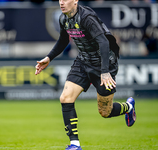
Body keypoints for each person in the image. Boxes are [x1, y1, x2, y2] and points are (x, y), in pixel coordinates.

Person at [35, 0, 136, 149]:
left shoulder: (87, 17)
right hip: (83, 61)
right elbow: (63, 40)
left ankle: (128, 107)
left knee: (105, 112)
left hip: (103, 63)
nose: (61, 2)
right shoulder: (63, 18)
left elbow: (103, 42)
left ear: (75, 0)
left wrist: (105, 71)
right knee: (65, 98)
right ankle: (75, 145)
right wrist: (49, 58)